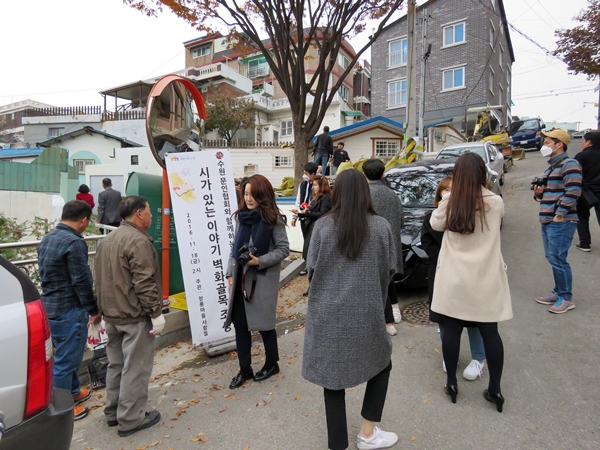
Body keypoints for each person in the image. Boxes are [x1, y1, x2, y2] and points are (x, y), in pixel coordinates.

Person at [303, 169, 398, 450]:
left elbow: (311, 270)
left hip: (326, 316)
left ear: (338, 193)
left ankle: (338, 445)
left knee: (333, 380)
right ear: (366, 193)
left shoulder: (322, 227)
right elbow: (389, 270)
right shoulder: (381, 227)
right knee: (382, 364)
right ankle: (367, 433)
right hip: (367, 313)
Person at [430, 153, 512, 412]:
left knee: (451, 331)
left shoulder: (451, 202)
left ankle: (452, 383)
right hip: (486, 279)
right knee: (491, 333)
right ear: (482, 173)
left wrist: (445, 199)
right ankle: (495, 389)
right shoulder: (495, 202)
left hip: (454, 279)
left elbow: (435, 224)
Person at [95, 196, 164, 437]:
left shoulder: (106, 240)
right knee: (135, 368)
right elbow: (144, 283)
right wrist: (155, 312)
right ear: (138, 213)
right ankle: (131, 418)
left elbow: (99, 278)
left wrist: (100, 311)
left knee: (116, 365)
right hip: (134, 316)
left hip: (111, 315)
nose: (152, 215)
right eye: (149, 211)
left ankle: (113, 413)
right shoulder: (138, 241)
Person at [37, 200, 102, 421]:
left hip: (50, 308)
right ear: (83, 220)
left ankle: (73, 392)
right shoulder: (74, 242)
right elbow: (81, 280)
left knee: (65, 354)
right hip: (69, 309)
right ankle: (62, 408)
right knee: (67, 360)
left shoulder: (48, 238)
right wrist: (93, 309)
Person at [224, 175, 290, 389]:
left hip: (261, 280)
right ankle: (245, 368)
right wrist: (229, 273)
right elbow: (234, 247)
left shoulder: (274, 220)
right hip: (240, 278)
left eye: (253, 194)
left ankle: (272, 363)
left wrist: (259, 260)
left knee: (264, 326)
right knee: (240, 325)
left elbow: (283, 249)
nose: (248, 198)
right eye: (245, 193)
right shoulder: (241, 218)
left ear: (263, 195)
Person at [421, 176, 487, 381]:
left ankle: (479, 358)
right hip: (441, 271)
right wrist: (443, 259)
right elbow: (427, 241)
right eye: (444, 190)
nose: (448, 193)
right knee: (443, 317)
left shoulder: (471, 214)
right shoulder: (432, 215)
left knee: (474, 319)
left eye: (452, 190)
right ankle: (450, 354)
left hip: (468, 273)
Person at [533, 129, 582, 313]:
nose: (544, 146)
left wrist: (560, 214)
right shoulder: (552, 166)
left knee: (558, 259)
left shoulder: (569, 164)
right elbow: (551, 193)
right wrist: (539, 194)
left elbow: (573, 191)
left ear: (558, 144)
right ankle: (557, 291)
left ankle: (566, 298)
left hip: (560, 221)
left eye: (547, 142)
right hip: (548, 219)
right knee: (553, 258)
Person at [363, 158, 404, 336]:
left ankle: (385, 318)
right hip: (392, 241)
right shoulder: (392, 194)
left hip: (369, 243)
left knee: (374, 280)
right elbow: (401, 220)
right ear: (382, 174)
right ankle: (394, 310)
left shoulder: (363, 194)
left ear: (364, 175)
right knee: (389, 275)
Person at [296, 175, 332, 296]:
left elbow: (323, 214)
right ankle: (312, 286)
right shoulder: (316, 198)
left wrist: (308, 212)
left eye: (316, 185)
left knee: (314, 258)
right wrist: (301, 213)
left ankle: (315, 287)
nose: (313, 188)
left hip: (318, 231)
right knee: (310, 256)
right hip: (311, 229)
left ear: (321, 185)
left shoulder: (326, 198)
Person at [574, 130, 600, 252]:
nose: (582, 143)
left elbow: (575, 174)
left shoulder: (581, 156)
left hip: (586, 191)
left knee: (582, 216)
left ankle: (585, 243)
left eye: (583, 140)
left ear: (589, 142)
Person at [291, 162, 319, 275]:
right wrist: (295, 216)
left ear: (313, 174)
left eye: (306, 173)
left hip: (313, 216)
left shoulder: (318, 184)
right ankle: (308, 263)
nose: (304, 175)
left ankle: (309, 265)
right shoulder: (303, 185)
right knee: (306, 240)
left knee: (310, 241)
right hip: (303, 215)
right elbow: (298, 200)